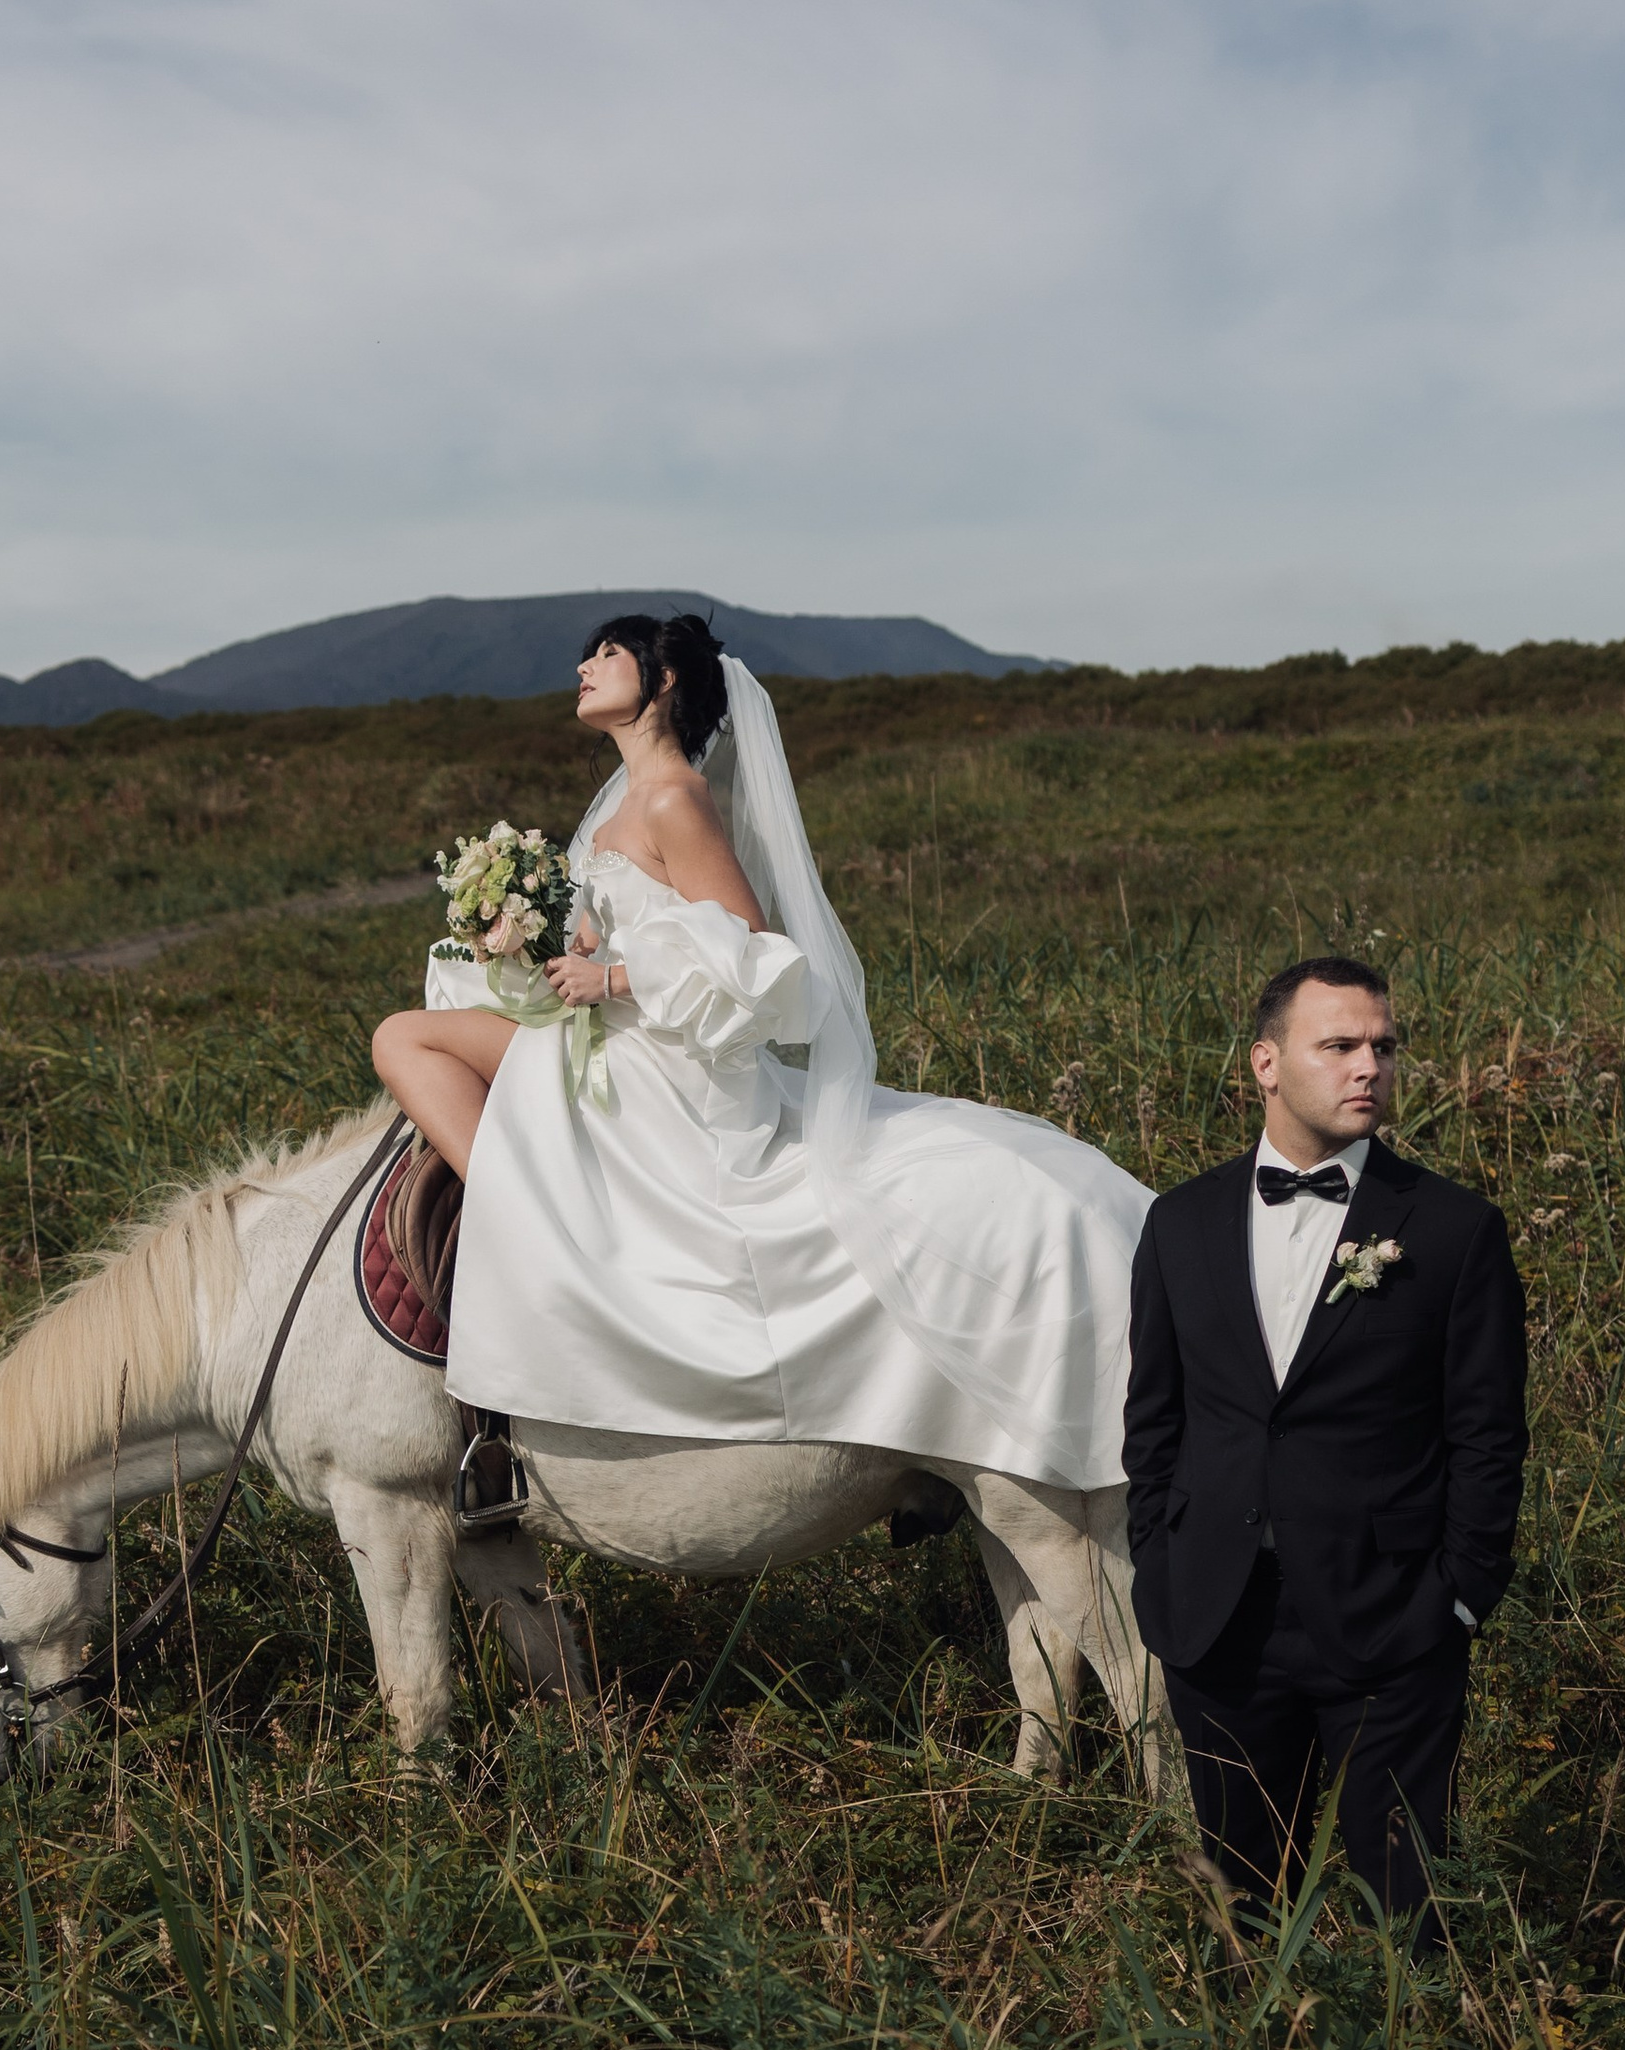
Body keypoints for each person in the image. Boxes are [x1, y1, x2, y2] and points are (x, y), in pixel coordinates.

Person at [369, 611, 1151, 1481]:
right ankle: (525, 1193)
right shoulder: (623, 805)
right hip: (617, 1033)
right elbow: (639, 929)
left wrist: (614, 979)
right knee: (412, 1034)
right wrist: (533, 947)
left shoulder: (673, 798)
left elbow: (751, 945)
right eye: (587, 654)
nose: (584, 666)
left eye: (609, 653)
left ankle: (524, 1211)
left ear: (664, 680)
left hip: (657, 1060)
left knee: (402, 1038)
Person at [1121, 955, 1526, 1931]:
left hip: (1393, 1618)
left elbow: (1487, 1432)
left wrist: (1460, 1597)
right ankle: (1259, 2032)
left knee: (1404, 1907)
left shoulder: (1454, 1229)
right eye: (1339, 1045)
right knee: (1240, 1903)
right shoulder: (1179, 1223)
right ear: (1265, 1063)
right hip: (1219, 1619)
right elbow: (1154, 1418)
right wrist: (1160, 1565)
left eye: (1383, 1046)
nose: (1369, 1067)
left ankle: (1405, 2031)